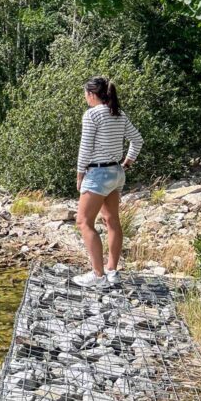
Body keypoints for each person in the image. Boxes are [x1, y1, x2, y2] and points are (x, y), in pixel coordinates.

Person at [71, 76, 144, 288]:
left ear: (92, 94)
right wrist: (127, 162)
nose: (85, 98)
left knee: (83, 222)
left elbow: (85, 147)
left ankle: (98, 275)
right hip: (116, 172)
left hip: (98, 173)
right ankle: (112, 271)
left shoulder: (92, 114)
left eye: (85, 94)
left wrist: (79, 174)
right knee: (112, 221)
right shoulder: (118, 113)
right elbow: (137, 139)